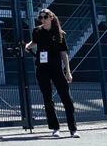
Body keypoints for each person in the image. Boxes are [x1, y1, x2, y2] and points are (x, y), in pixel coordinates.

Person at [24, 8, 78, 138]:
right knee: (47, 98)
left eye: (45, 17)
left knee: (66, 98)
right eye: (40, 17)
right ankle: (55, 128)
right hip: (42, 68)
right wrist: (28, 45)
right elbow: (34, 42)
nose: (42, 20)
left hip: (56, 69)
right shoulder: (37, 31)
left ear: (51, 18)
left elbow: (64, 53)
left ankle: (73, 129)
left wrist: (68, 71)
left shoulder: (59, 33)